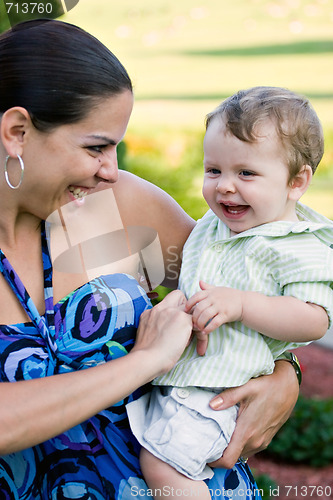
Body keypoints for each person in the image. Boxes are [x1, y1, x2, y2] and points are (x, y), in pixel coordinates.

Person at [0, 19, 300, 500]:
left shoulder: (127, 207)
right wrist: (146, 361)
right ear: (17, 132)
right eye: (96, 147)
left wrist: (287, 377)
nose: (111, 170)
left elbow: (254, 290)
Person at [127, 86, 333, 499]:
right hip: (188, 383)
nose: (224, 187)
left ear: (297, 181)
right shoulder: (214, 227)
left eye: (246, 173)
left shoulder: (297, 245)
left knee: (163, 465)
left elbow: (315, 318)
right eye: (213, 170)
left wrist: (241, 304)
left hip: (220, 391)